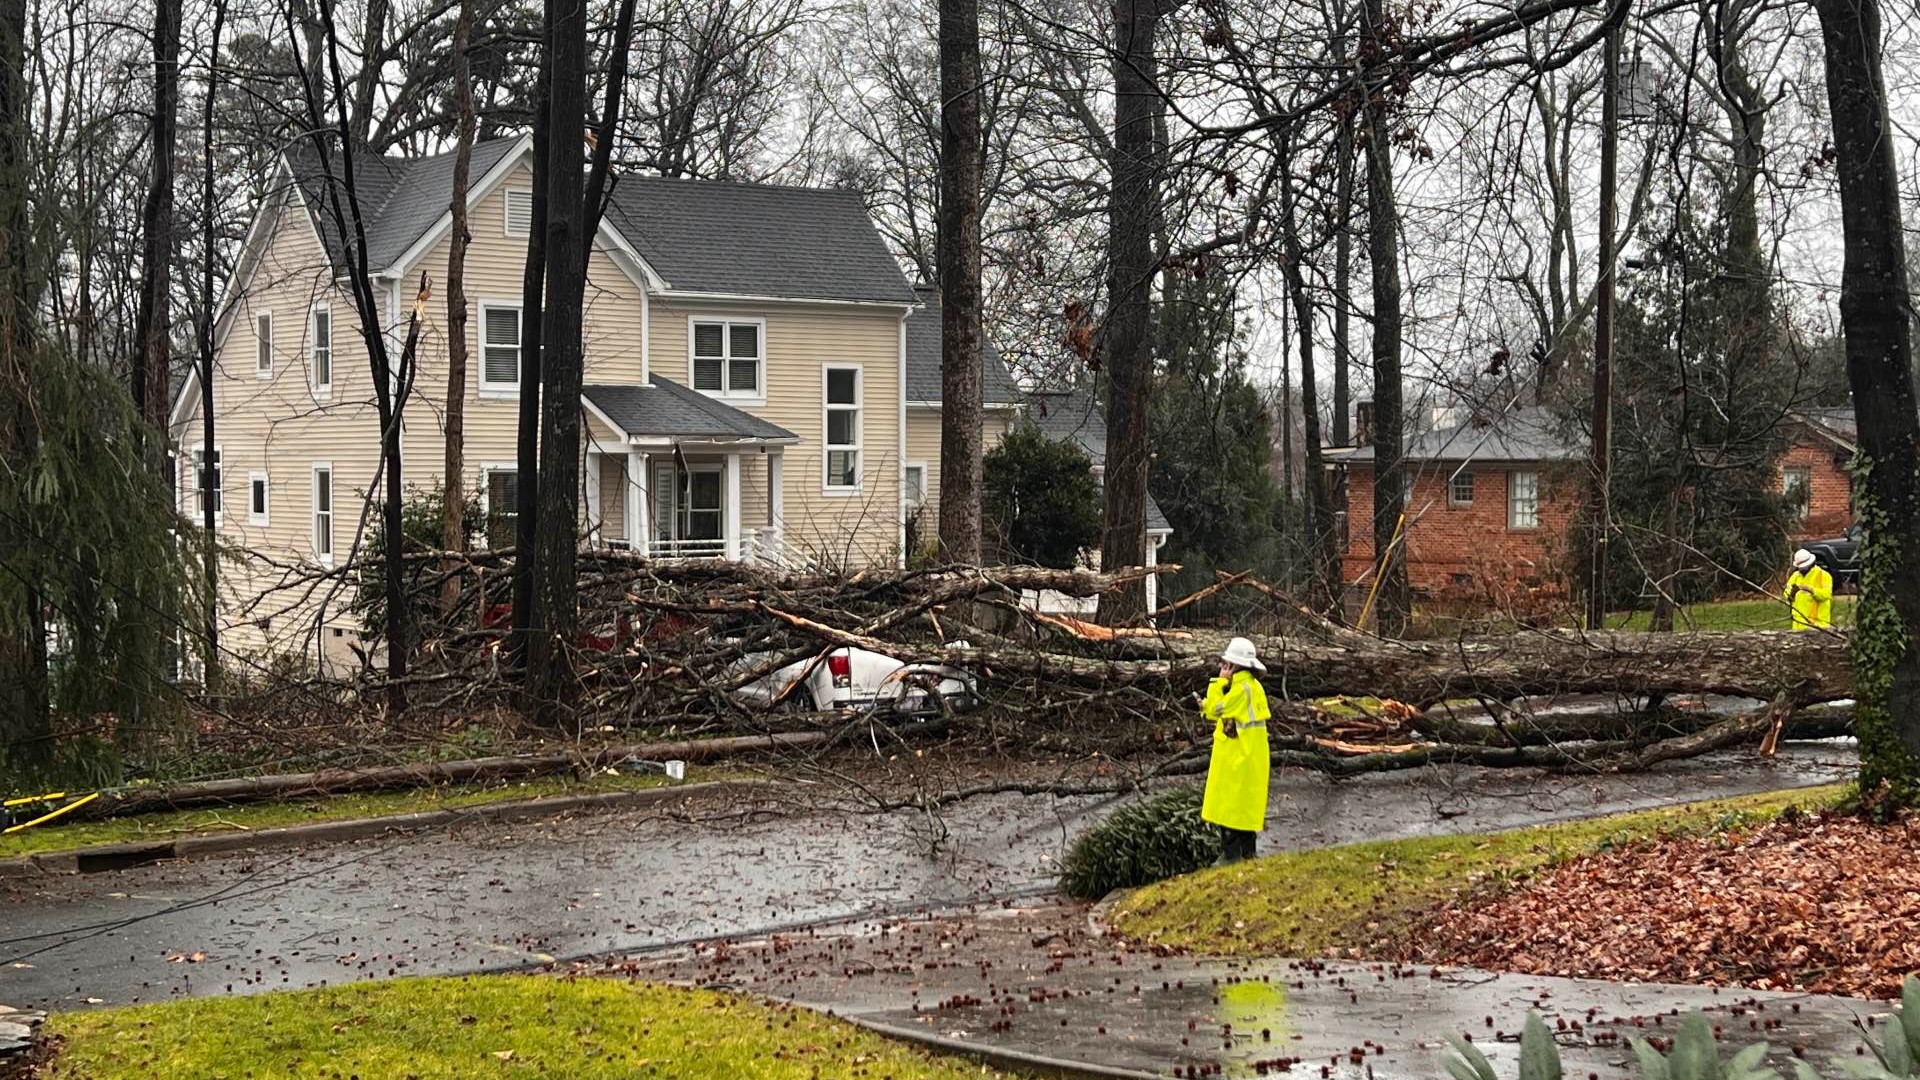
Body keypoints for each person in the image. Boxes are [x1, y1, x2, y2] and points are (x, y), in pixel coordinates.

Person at [1200, 636, 1272, 864]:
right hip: (1250, 757)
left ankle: (1231, 858)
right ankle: (1248, 855)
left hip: (1237, 759)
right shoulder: (1252, 687)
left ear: (1233, 666)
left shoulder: (1240, 690)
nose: (1222, 668)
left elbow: (1213, 710)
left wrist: (1216, 684)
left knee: (1228, 811)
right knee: (1243, 811)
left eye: (1225, 664)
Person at [1784, 548, 1833, 631]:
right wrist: (1792, 593)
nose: (1802, 569)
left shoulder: (1823, 575)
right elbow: (1786, 594)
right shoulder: (1795, 576)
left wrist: (1811, 590)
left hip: (1818, 623)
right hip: (1798, 623)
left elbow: (1826, 595)